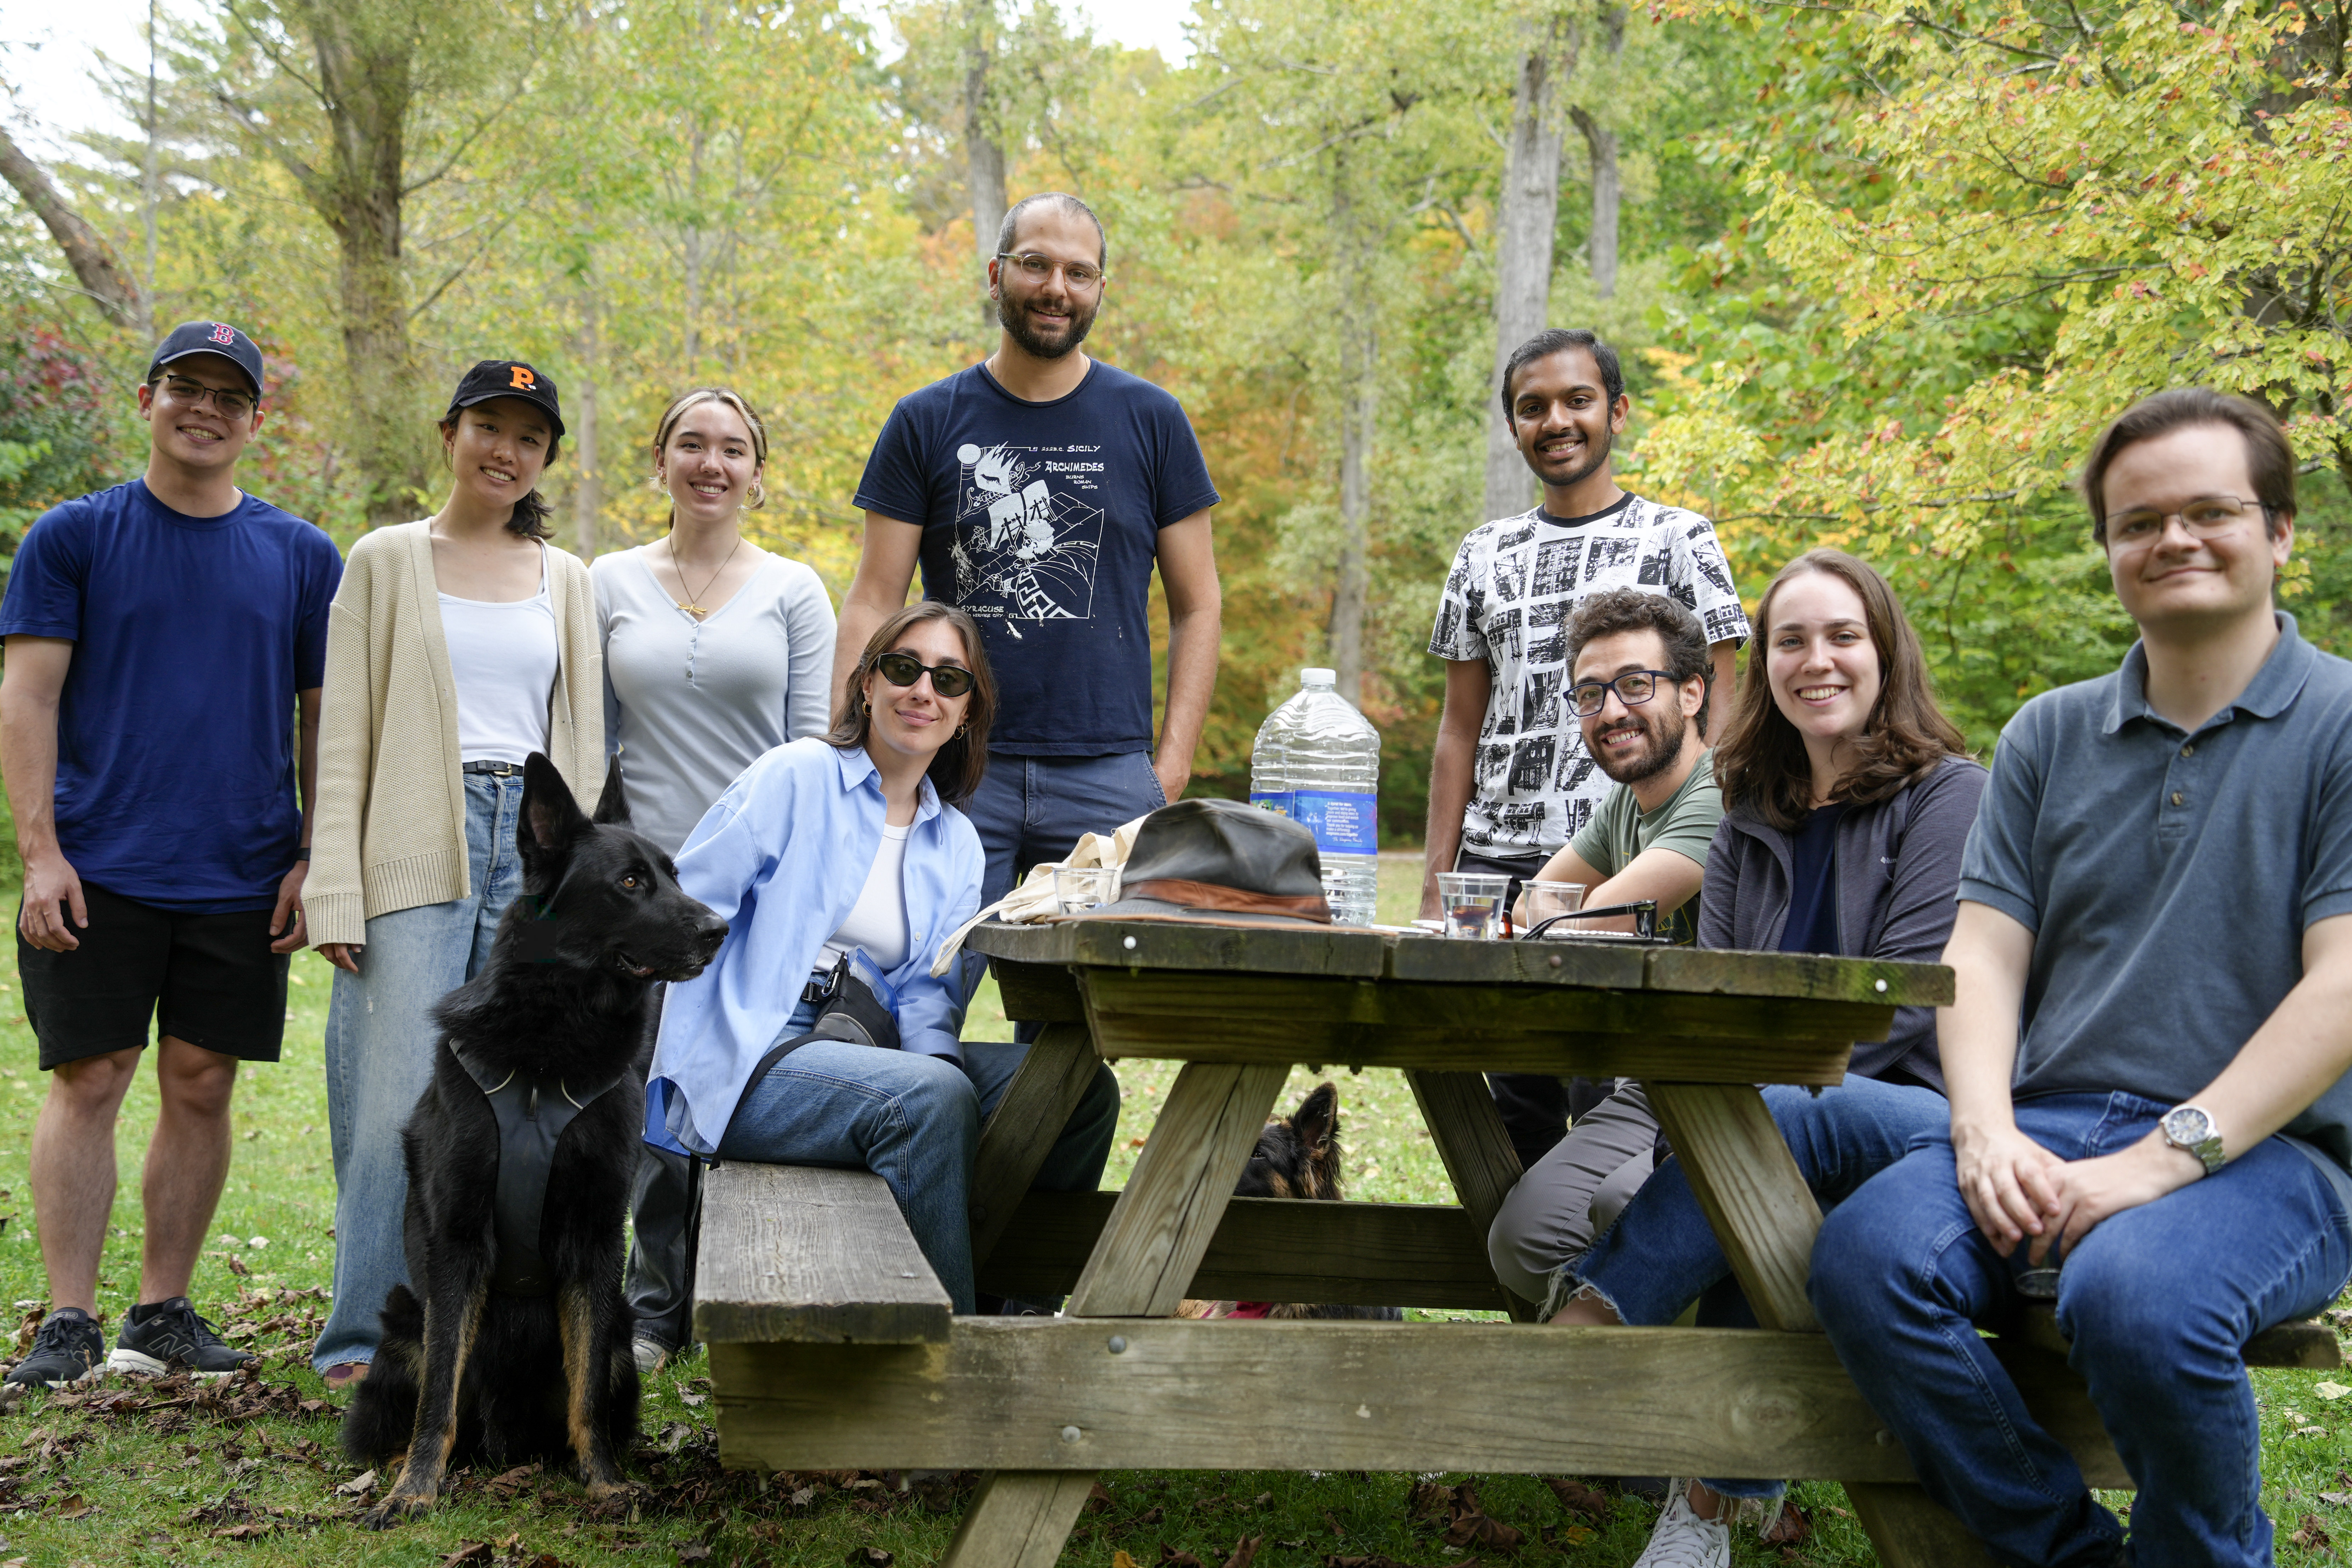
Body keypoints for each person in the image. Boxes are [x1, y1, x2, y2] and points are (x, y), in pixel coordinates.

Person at [1807, 391, 2352, 1565]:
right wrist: (1983, 1129)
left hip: (2277, 1155)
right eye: (2139, 519)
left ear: (2281, 531)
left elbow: (2343, 985)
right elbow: (1984, 950)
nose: (2173, 538)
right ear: (2109, 549)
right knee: (1866, 1255)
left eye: (2211, 510)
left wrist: (2158, 1162)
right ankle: (2062, 1552)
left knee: (2137, 1295)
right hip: (2050, 1117)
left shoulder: (2343, 721)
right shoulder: (2049, 732)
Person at [1539, 548, 1984, 1568]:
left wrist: (1751, 1101)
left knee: (1781, 1128)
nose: (1814, 660)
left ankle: (1590, 1331)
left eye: (1842, 637)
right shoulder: (1746, 812)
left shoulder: (1948, 797)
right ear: (1766, 665)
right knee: (1767, 1174)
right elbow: (1718, 998)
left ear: (1884, 653)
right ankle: (1708, 1505)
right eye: (1791, 640)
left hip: (1922, 1125)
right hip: (1772, 1122)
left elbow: (1909, 1008)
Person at [0, 322, 341, 1390]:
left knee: (202, 1081)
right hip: (98, 864)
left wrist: (311, 853)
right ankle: (67, 1318)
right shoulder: (75, 536)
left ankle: (161, 1311)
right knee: (90, 1075)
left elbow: (324, 719)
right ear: (146, 399)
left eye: (229, 397)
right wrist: (40, 853)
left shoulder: (301, 554)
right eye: (186, 388)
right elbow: (29, 694)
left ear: (255, 420)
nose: (206, 409)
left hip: (241, 870)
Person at [645, 602, 1120, 1310]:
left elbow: (931, 994)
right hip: (751, 1053)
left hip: (867, 1046)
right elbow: (685, 912)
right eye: (903, 669)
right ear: (866, 685)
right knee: (925, 1099)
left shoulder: (955, 840)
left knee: (1078, 1089)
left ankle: (1011, 1302)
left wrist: (936, 1072)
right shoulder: (796, 775)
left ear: (968, 712)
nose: (923, 691)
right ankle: (957, 1356)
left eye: (950, 680)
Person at [306, 361, 604, 1389]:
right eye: (487, 425)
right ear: (450, 433)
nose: (504, 449)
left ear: (546, 458)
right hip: (414, 842)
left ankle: (473, 1343)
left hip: (530, 863)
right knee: (398, 1097)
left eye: (529, 436)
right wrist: (333, 885)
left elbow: (584, 746)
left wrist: (576, 889)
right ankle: (365, 1340)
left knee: (505, 1104)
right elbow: (343, 732)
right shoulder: (385, 560)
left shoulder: (567, 578)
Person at [841, 191, 1222, 919]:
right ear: (995, 275)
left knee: (1077, 1020)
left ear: (1100, 290)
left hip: (1107, 773)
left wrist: (1169, 771)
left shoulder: (1153, 421)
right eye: (1035, 264)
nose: (1056, 288)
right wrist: (856, 747)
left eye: (1079, 273)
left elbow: (1199, 605)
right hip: (949, 763)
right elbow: (873, 598)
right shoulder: (925, 420)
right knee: (917, 991)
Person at [1424, 328, 1750, 1166]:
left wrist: (1708, 834)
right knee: (1513, 1116)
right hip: (1506, 866)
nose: (1556, 421)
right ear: (1514, 427)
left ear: (1618, 412)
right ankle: (1529, 1290)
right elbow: (1459, 729)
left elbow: (1724, 708)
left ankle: (1605, 1280)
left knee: (1611, 1106)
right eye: (1533, 408)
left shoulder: (1680, 538)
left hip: (1636, 856)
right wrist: (1438, 886)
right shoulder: (1483, 554)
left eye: (1577, 400)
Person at [593, 386, 837, 1373]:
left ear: (756, 474)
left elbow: (815, 756)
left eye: (732, 449)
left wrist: (811, 901)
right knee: (645, 1098)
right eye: (691, 445)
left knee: (737, 1093)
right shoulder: (604, 581)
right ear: (659, 463)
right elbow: (585, 746)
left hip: (757, 888)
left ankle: (746, 1296)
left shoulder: (794, 590)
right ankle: (653, 1309)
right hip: (640, 894)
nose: (711, 463)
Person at [1481, 588, 1723, 1314]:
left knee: (1620, 1209)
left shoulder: (1720, 797)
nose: (1611, 711)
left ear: (1691, 693)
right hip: (1648, 1083)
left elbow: (1594, 922)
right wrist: (1557, 914)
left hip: (1729, 1083)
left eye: (1635, 685)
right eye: (1591, 694)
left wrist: (1559, 914)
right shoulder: (1629, 803)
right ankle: (1626, 1327)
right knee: (1519, 1243)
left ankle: (1659, 1359)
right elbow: (1537, 905)